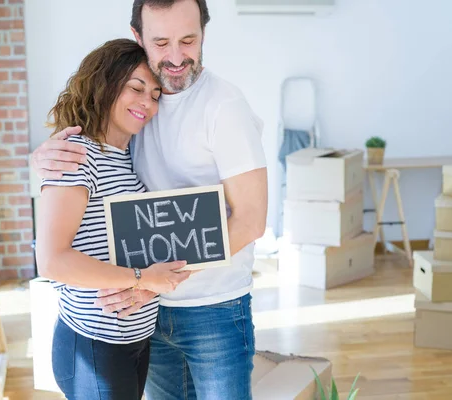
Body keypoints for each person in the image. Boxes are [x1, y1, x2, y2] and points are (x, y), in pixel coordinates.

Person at [32, 0, 268, 398]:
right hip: (143, 317)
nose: (176, 56)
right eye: (161, 42)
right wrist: (40, 159)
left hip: (212, 310)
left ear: (204, 35)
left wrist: (153, 283)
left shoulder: (223, 107)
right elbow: (81, 176)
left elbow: (250, 221)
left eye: (188, 40)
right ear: (138, 39)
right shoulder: (124, 132)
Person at [35, 38, 192, 400]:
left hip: (133, 338)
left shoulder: (126, 156)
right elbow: (52, 260)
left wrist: (150, 281)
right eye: (136, 88)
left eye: (154, 95)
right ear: (104, 85)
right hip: (94, 344)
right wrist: (142, 278)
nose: (147, 104)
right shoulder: (76, 155)